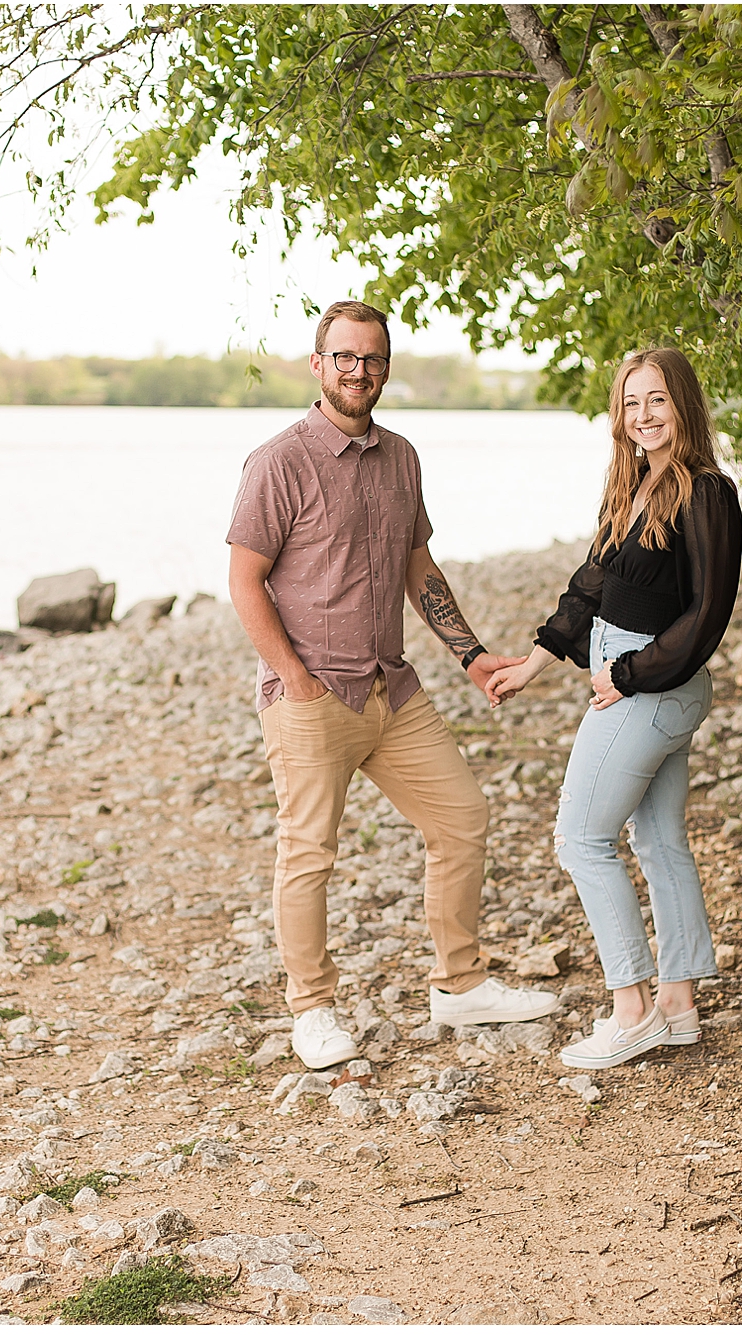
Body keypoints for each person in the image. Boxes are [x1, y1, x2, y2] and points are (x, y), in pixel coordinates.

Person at [226, 300, 561, 1070]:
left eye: (372, 358)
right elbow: (245, 581)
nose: (359, 371)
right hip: (312, 696)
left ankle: (459, 983)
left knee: (463, 816)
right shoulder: (278, 461)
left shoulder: (402, 457)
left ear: (385, 368)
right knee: (309, 853)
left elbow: (418, 565)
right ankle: (312, 1009)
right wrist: (295, 678)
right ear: (318, 365)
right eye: (344, 357)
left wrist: (471, 654)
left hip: (391, 688)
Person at [484, 347, 742, 1070]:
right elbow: (592, 585)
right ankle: (678, 1004)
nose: (644, 415)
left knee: (580, 839)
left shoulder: (706, 492)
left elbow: (707, 614)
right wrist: (533, 661)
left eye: (657, 399)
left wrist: (626, 674)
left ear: (683, 404)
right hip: (641, 681)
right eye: (631, 403)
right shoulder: (633, 483)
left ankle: (632, 1011)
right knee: (658, 840)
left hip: (653, 683)